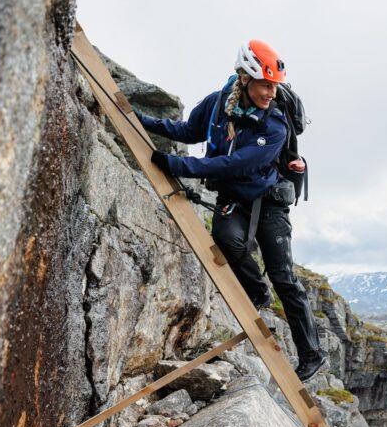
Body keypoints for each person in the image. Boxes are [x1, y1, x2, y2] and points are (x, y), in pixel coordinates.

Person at [136, 40, 327, 382]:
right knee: (227, 240)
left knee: (284, 276)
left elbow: (235, 163)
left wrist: (179, 164)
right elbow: (189, 131)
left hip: (269, 201)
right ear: (244, 77)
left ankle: (312, 353)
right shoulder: (216, 104)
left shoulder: (276, 124)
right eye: (265, 85)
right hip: (234, 197)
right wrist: (142, 120)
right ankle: (256, 291)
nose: (270, 92)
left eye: (274, 86)